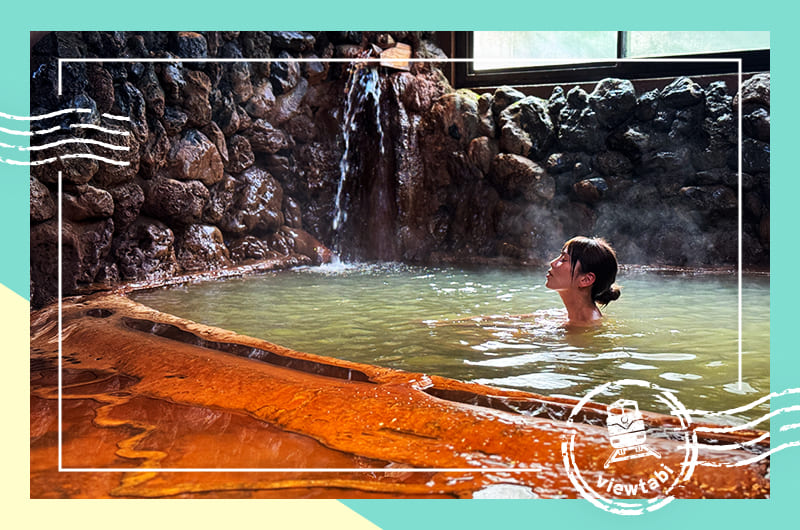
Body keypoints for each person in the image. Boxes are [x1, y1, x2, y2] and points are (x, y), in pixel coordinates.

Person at [545, 236, 621, 326]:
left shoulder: (584, 328)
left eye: (564, 260)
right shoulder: (564, 314)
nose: (553, 263)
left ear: (586, 279)